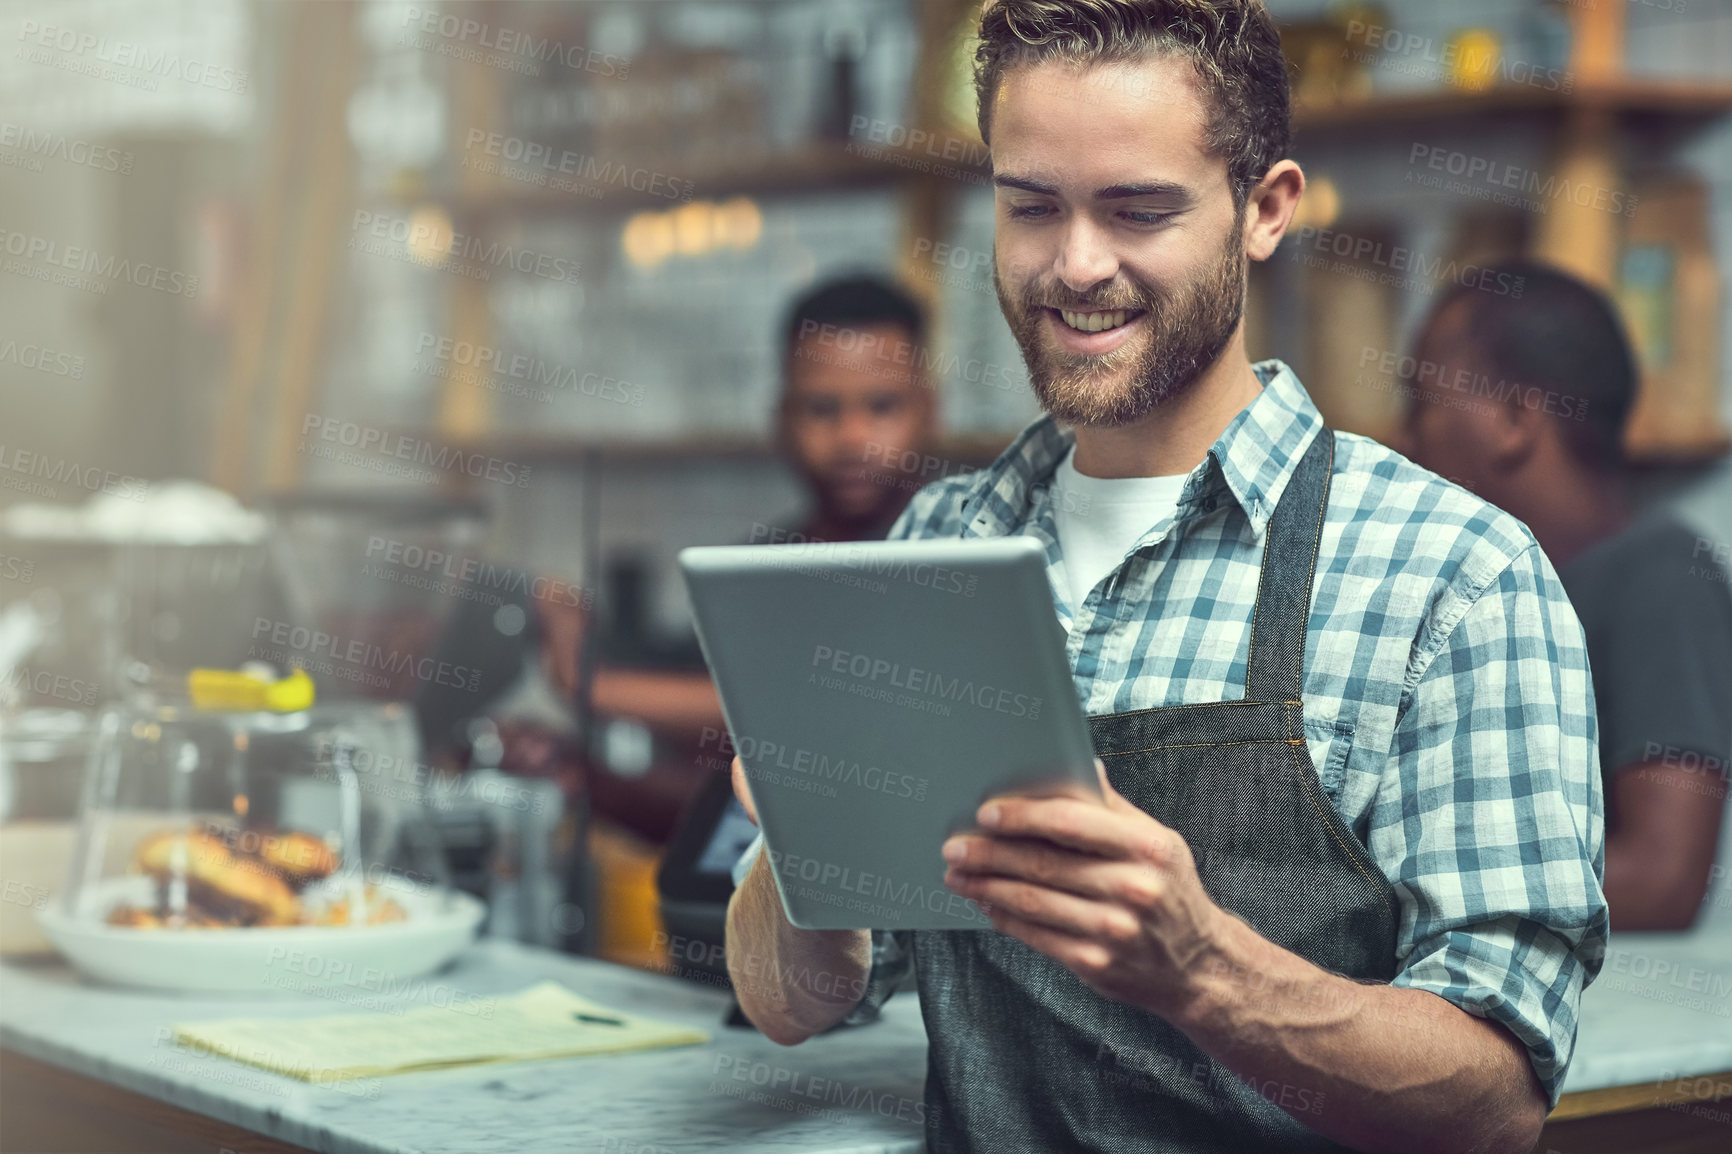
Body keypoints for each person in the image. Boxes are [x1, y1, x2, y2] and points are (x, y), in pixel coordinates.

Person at [725, 3, 1606, 1152]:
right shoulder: (934, 547)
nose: (1076, 265)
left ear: (1265, 209)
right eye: (1031, 206)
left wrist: (1200, 967)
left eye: (1138, 208)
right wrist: (805, 845)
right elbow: (798, 1003)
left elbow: (1492, 1104)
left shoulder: (1455, 577)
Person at [535, 275, 938, 834]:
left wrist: (589, 684)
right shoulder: (756, 570)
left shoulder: (961, 560)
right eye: (822, 409)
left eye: (882, 406)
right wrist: (581, 774)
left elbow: (814, 714)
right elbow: (724, 800)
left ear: (930, 409)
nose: (852, 437)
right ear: (781, 419)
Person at [1397, 260, 1732, 932]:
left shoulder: (1657, 576)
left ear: (1515, 420)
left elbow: (1663, 877)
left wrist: (1394, 890)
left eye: (1423, 403)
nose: (1406, 438)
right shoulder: (1496, 596)